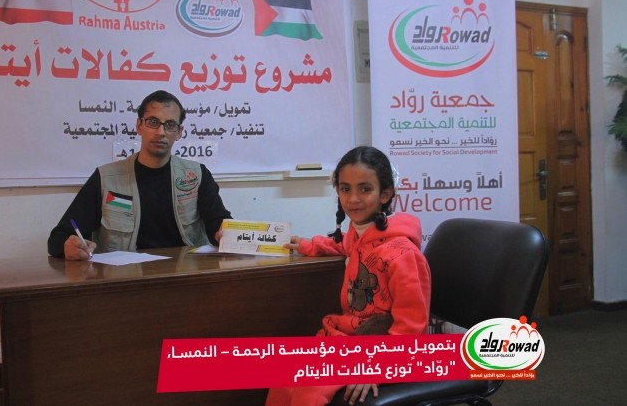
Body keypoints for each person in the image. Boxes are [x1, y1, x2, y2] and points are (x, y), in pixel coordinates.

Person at [265, 146, 431, 406]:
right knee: (285, 375)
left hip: (381, 350)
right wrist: (309, 245)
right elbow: (342, 244)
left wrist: (376, 367)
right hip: (346, 339)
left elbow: (411, 328)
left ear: (385, 194)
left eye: (365, 189)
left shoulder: (404, 255)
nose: (353, 198)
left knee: (309, 390)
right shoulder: (360, 235)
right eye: (345, 189)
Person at [48, 89, 232, 260]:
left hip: (185, 275)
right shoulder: (106, 179)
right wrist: (68, 245)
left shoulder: (196, 175)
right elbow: (58, 237)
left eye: (170, 125)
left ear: (179, 132)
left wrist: (225, 233)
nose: (161, 132)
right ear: (139, 125)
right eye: (153, 122)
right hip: (126, 278)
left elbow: (218, 223)